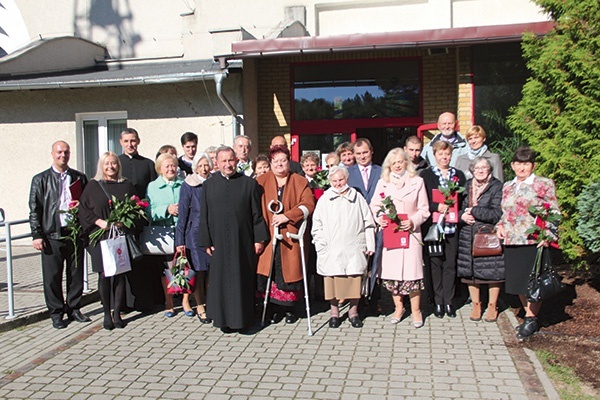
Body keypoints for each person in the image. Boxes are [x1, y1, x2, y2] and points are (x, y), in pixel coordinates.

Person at [199, 146, 269, 332]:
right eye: (224, 161)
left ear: (237, 161)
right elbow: (204, 214)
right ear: (217, 163)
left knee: (242, 280)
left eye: (231, 160)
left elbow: (257, 213)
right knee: (220, 281)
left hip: (243, 241)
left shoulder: (249, 184)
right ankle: (222, 319)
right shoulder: (208, 185)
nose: (228, 164)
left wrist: (259, 239)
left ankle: (243, 319)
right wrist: (206, 241)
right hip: (219, 242)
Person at [496, 147, 560, 340]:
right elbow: (505, 212)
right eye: (518, 163)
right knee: (517, 282)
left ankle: (531, 318)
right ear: (512, 165)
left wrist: (547, 235)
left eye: (526, 164)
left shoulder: (543, 184)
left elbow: (554, 212)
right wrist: (499, 225)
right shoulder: (508, 185)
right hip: (511, 240)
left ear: (533, 165)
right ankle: (528, 315)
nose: (522, 168)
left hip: (533, 240)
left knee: (532, 282)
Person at [29, 140, 90, 329]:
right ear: (52, 154)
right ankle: (56, 313)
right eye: (59, 152)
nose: (63, 155)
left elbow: (87, 205)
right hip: (52, 234)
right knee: (53, 277)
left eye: (66, 152)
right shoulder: (40, 179)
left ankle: (74, 309)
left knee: (76, 274)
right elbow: (34, 209)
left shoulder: (79, 178)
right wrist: (36, 234)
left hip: (74, 233)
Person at [370, 148, 430, 328]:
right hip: (392, 234)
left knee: (412, 275)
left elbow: (424, 209)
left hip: (411, 234)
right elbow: (374, 205)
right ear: (389, 165)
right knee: (393, 276)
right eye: (394, 162)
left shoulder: (417, 182)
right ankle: (398, 308)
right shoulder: (383, 183)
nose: (397, 165)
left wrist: (413, 221)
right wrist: (379, 218)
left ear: (407, 163)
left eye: (401, 162)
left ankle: (417, 311)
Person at [256, 145, 316, 324]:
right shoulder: (261, 181)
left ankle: (290, 309)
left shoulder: (299, 181)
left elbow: (308, 205)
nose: (280, 164)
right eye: (276, 161)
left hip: (291, 237)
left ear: (289, 162)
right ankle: (272, 309)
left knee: (289, 272)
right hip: (268, 236)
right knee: (270, 271)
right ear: (271, 163)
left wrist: (287, 216)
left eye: (283, 160)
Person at [78, 152, 138, 330]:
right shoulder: (93, 186)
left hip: (119, 235)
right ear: (101, 166)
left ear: (118, 165)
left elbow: (136, 206)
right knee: (104, 275)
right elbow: (83, 210)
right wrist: (99, 222)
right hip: (100, 236)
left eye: (113, 163)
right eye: (107, 164)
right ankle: (106, 313)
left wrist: (124, 221)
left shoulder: (126, 185)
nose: (110, 167)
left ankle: (117, 312)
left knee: (119, 274)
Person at [312, 166, 375, 328]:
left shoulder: (357, 197)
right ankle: (334, 313)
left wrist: (369, 243)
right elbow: (316, 225)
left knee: (354, 282)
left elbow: (368, 222)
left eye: (341, 180)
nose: (338, 183)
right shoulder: (325, 199)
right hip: (331, 249)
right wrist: (320, 244)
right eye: (334, 181)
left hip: (353, 248)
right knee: (332, 282)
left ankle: (353, 312)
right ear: (330, 181)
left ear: (346, 179)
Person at [421, 141, 467, 318]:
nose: (444, 157)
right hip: (434, 228)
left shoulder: (458, 176)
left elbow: (462, 200)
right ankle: (438, 301)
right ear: (434, 155)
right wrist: (436, 206)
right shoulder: (426, 175)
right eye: (440, 154)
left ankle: (449, 301)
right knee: (435, 265)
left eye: (447, 154)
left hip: (452, 228)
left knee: (450, 265)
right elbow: (423, 200)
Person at [457, 157, 505, 322]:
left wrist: (475, 211)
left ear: (490, 169)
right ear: (472, 170)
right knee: (470, 272)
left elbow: (496, 213)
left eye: (484, 167)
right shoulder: (466, 186)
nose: (481, 170)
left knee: (492, 271)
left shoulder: (497, 187)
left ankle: (492, 305)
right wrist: (461, 216)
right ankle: (476, 304)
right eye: (477, 168)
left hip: (487, 234)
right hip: (467, 233)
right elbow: (456, 208)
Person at [175, 152, 212, 323]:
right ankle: (200, 305)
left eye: (207, 165)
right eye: (201, 165)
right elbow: (182, 215)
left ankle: (211, 303)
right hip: (194, 234)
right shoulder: (188, 185)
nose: (204, 169)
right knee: (198, 272)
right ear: (195, 167)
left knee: (211, 272)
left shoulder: (214, 182)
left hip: (213, 234)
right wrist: (180, 241)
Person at [146, 153, 184, 317]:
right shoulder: (152, 187)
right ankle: (168, 301)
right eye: (167, 166)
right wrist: (166, 210)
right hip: (163, 234)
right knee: (166, 270)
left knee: (183, 267)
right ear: (160, 168)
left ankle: (185, 301)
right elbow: (148, 211)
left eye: (173, 165)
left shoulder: (183, 184)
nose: (171, 169)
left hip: (181, 232)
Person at [118, 128, 157, 198]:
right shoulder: (116, 163)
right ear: (121, 142)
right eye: (126, 141)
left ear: (138, 141)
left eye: (132, 141)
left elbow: (153, 188)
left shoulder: (148, 164)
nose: (129, 145)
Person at [347, 138, 382, 204]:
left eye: (365, 152)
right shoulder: (347, 173)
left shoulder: (382, 172)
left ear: (371, 151)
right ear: (354, 154)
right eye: (358, 153)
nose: (362, 157)